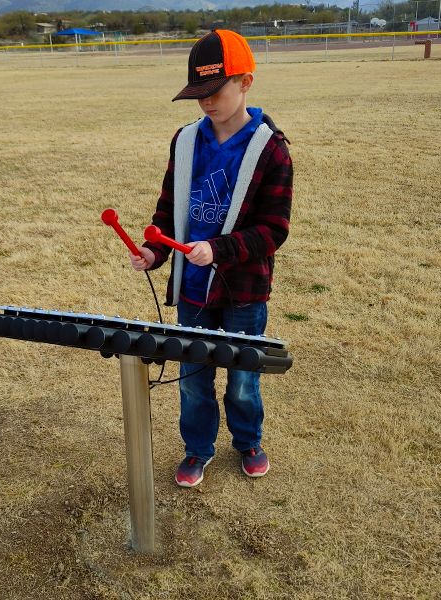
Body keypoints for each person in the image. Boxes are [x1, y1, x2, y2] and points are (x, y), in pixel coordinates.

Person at [129, 29, 293, 487]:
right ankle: (197, 448)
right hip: (193, 291)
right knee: (192, 377)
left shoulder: (271, 149)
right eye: (197, 93)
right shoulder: (184, 142)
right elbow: (168, 212)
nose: (205, 102)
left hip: (243, 291)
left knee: (243, 375)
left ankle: (248, 441)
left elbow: (274, 229)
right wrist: (155, 251)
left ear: (245, 82)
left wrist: (219, 250)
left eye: (214, 91)